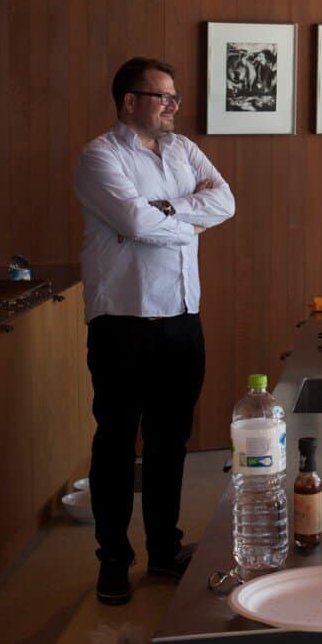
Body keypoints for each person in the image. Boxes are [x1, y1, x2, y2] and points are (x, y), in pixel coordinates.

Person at [74, 58, 235, 605]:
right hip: (124, 321)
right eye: (162, 96)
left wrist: (169, 210)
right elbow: (135, 224)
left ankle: (164, 551)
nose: (173, 105)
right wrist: (187, 225)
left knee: (171, 442)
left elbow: (226, 202)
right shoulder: (100, 156)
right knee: (117, 442)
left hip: (182, 319)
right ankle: (113, 561)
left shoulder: (183, 150)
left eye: (174, 97)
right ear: (129, 101)